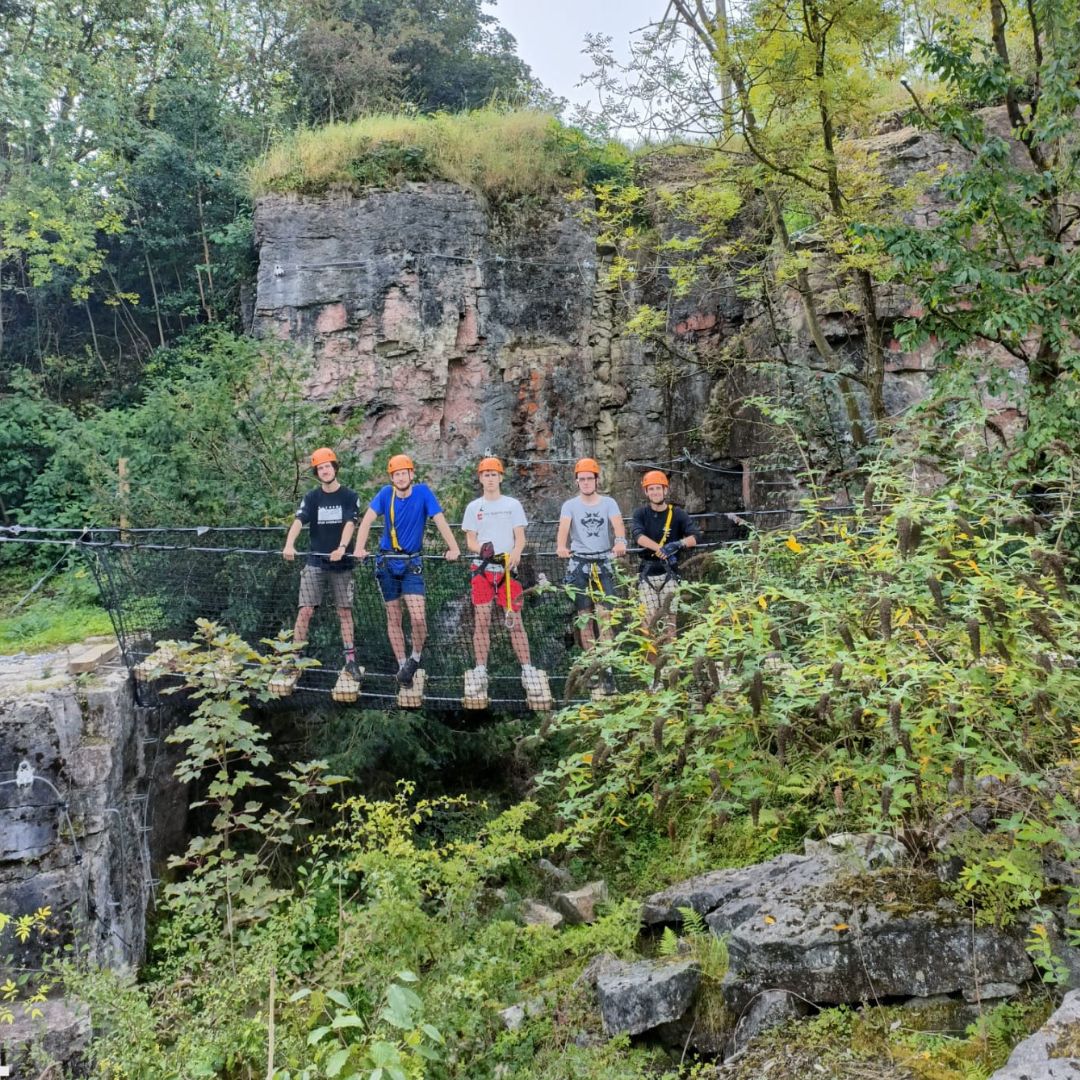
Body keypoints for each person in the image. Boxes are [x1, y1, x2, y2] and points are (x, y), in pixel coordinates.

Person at [353, 454, 460, 687]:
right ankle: (403, 666)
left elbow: (440, 520)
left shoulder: (423, 493)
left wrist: (453, 548)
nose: (401, 478)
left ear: (412, 474)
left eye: (404, 473)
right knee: (394, 617)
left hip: (411, 563)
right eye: (396, 474)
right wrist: (359, 548)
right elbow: (367, 520)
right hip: (387, 562)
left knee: (418, 617)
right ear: (392, 478)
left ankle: (414, 659)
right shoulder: (386, 494)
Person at [461, 457, 540, 694]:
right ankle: (480, 670)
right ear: (480, 478)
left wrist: (516, 552)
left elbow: (520, 537)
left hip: (507, 571)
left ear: (501, 477)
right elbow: (470, 541)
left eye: (494, 475)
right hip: (483, 569)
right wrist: (482, 549)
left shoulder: (512, 505)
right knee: (481, 621)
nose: (490, 479)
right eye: (486, 475)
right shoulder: (474, 507)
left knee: (515, 621)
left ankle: (527, 670)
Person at [281, 447, 360, 678]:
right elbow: (299, 520)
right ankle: (295, 657)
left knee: (344, 611)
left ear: (335, 468)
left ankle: (350, 661)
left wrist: (342, 548)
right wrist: (289, 544)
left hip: (342, 563)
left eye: (328, 466)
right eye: (321, 468)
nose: (325, 471)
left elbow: (350, 523)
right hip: (315, 561)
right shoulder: (312, 497)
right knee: (305, 610)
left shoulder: (349, 496)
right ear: (317, 473)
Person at [555, 457, 627, 694]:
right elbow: (564, 528)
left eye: (589, 478)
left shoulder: (608, 503)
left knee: (605, 616)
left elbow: (618, 525)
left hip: (603, 562)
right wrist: (561, 546)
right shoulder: (570, 505)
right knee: (584, 618)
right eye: (582, 479)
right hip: (579, 564)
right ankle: (593, 667)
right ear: (577, 481)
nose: (586, 482)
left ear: (597, 480)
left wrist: (620, 541)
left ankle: (608, 669)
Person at [631, 469, 700, 644]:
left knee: (670, 621)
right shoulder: (640, 514)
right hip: (648, 572)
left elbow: (695, 536)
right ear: (646, 492)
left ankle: (671, 657)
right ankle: (653, 658)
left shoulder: (677, 514)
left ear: (665, 490)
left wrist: (677, 544)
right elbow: (638, 536)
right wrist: (662, 549)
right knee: (648, 621)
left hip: (669, 572)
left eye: (658, 488)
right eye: (651, 489)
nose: (655, 492)